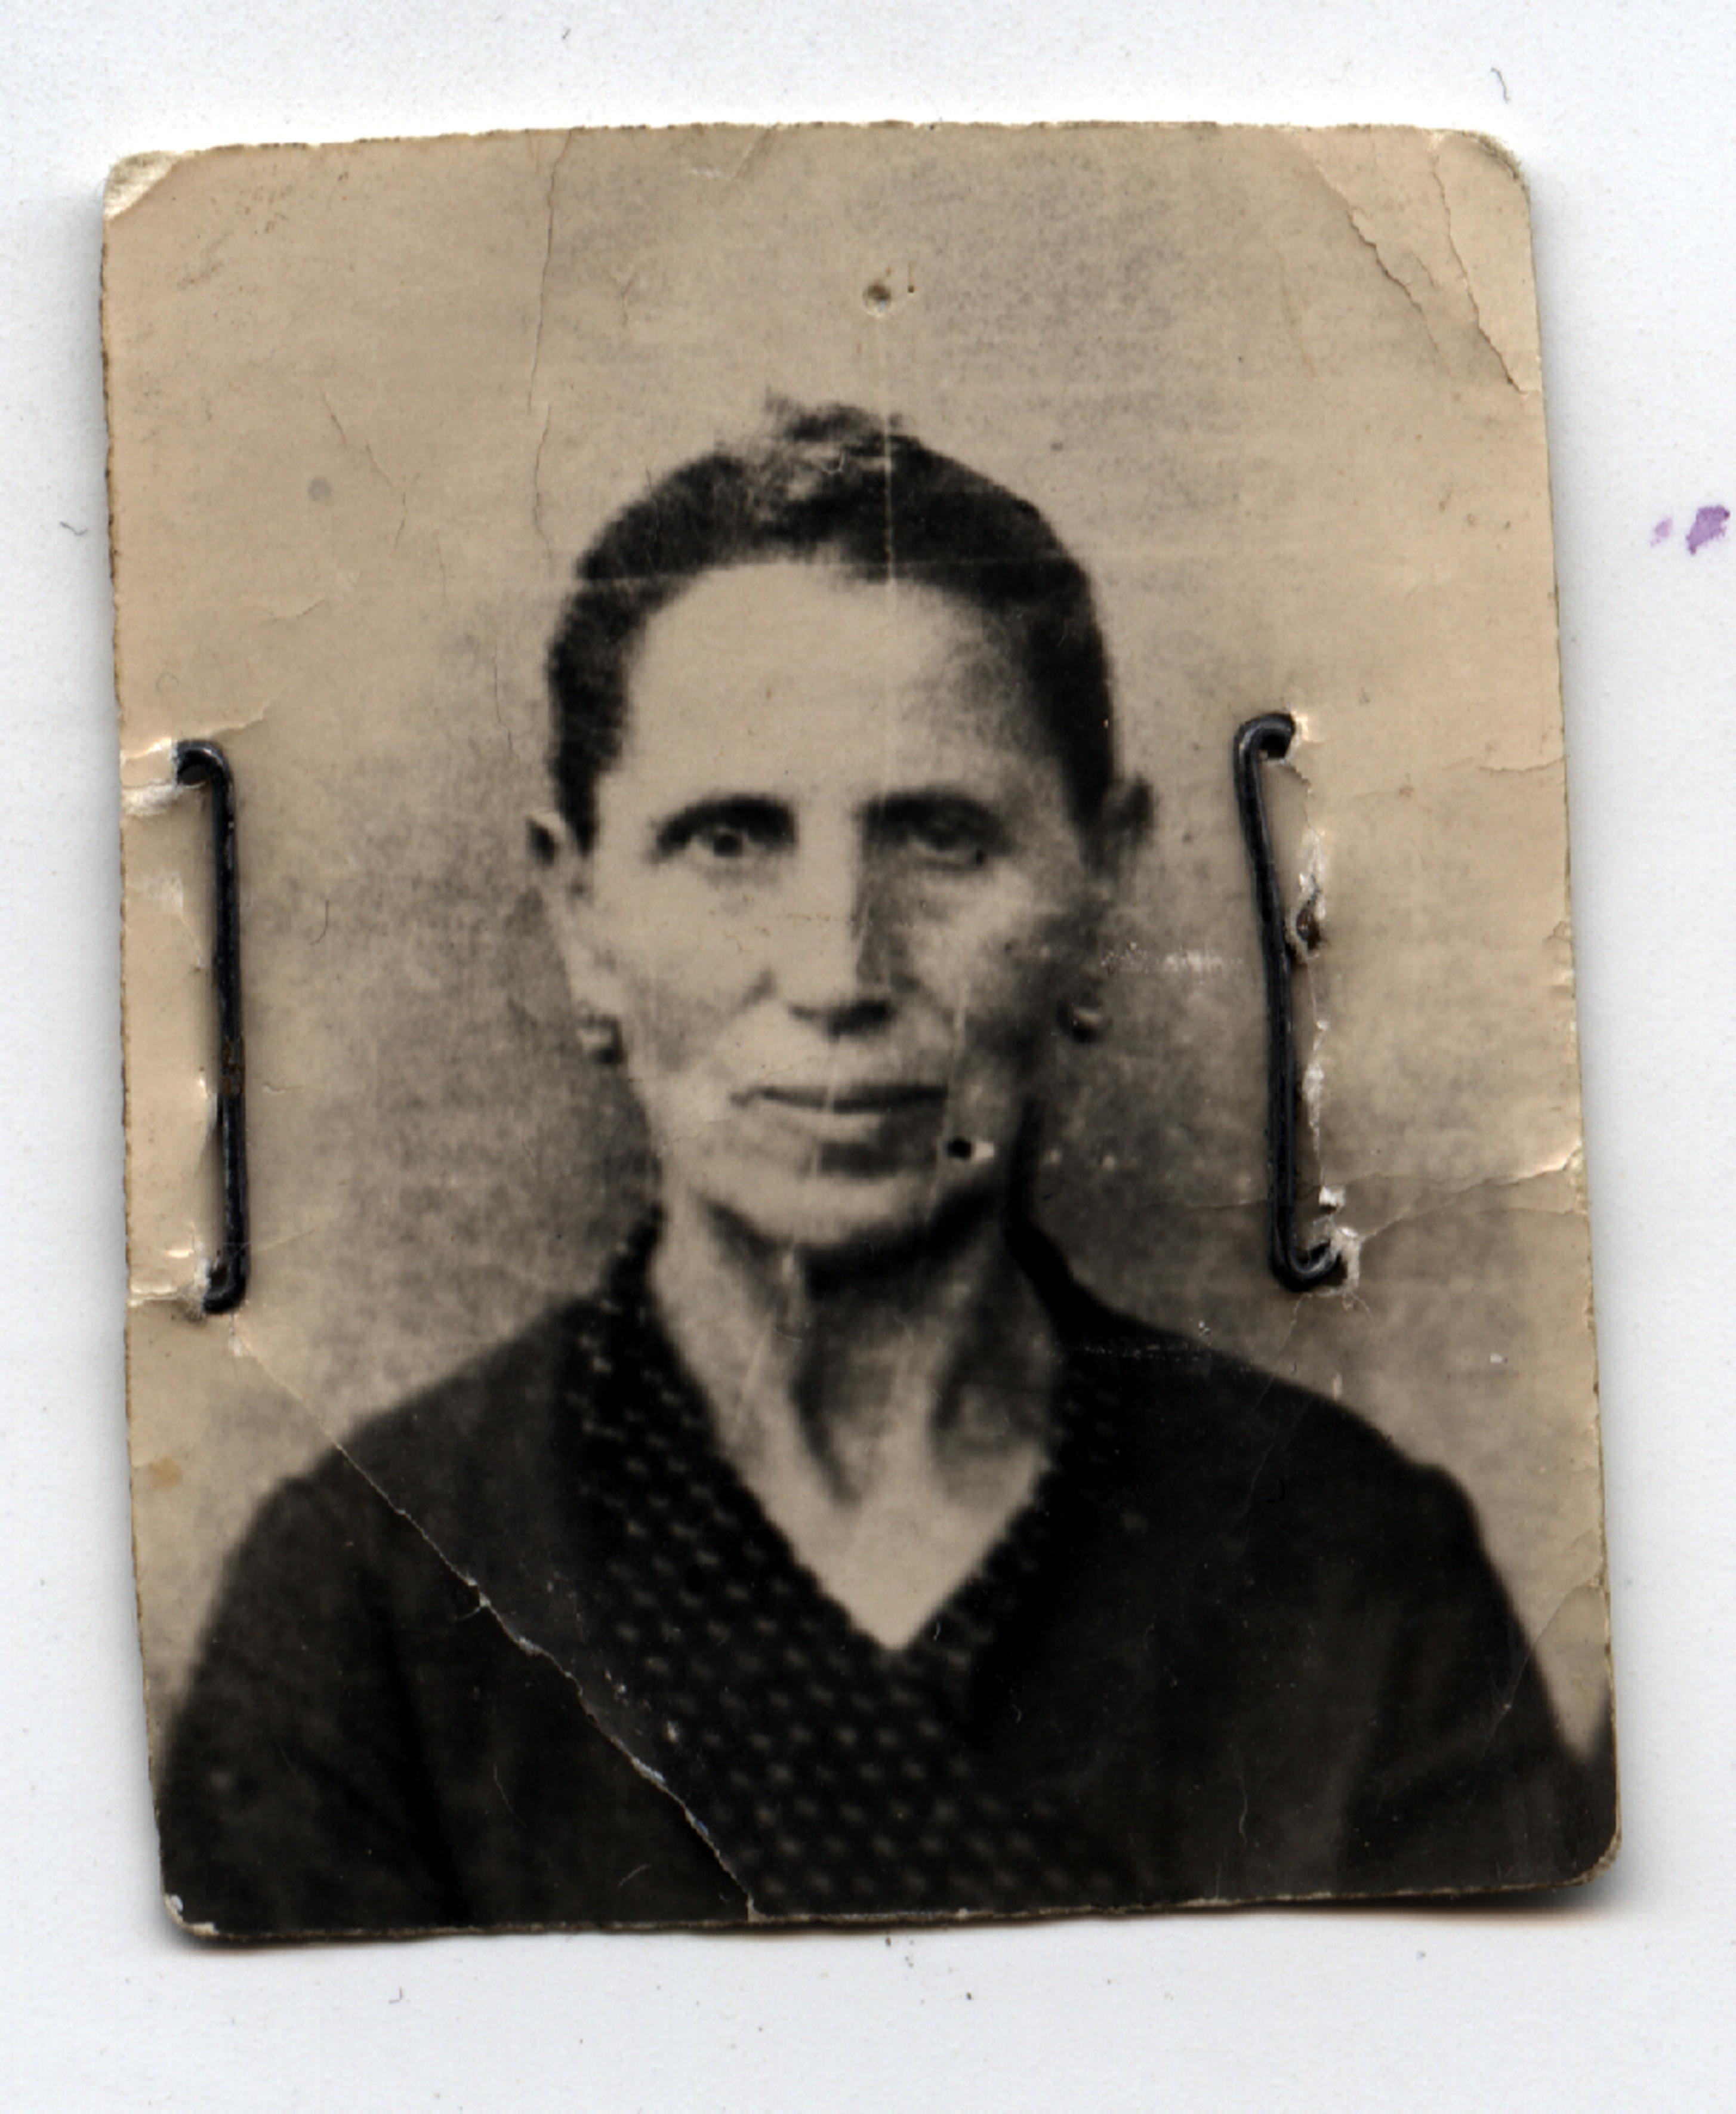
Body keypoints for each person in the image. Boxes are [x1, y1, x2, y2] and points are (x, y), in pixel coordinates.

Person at [159, 402, 1613, 1936]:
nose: (838, 974)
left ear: (1103, 890)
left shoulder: (1356, 1568)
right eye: (731, 839)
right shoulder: (369, 1600)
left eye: (939, 836)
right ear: (583, 919)